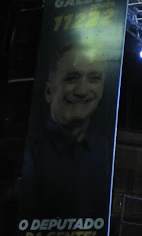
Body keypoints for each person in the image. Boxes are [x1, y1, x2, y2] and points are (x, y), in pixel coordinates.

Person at [20, 42, 111, 223]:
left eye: (94, 78)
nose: (82, 91)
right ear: (48, 91)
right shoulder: (29, 150)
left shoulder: (106, 150)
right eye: (71, 78)